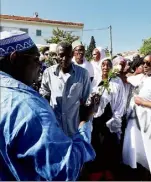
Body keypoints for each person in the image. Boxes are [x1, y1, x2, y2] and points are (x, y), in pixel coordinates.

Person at [0, 30, 95, 181]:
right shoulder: (28, 107)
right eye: (36, 59)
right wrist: (84, 122)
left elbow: (85, 97)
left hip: (69, 126)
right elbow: (66, 170)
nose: (40, 64)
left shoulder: (82, 74)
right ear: (15, 58)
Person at [80, 58, 125, 181]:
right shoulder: (95, 81)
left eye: (108, 65)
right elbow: (88, 99)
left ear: (112, 67)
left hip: (110, 118)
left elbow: (121, 101)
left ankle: (108, 170)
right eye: (103, 65)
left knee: (109, 145)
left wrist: (116, 119)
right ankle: (96, 170)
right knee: (96, 144)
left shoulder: (117, 82)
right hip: (96, 118)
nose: (105, 67)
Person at [39, 41, 91, 137]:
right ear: (56, 56)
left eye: (68, 55)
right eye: (61, 55)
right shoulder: (48, 73)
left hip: (74, 129)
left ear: (72, 55)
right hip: (54, 128)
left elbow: (86, 101)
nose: (65, 59)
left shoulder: (83, 74)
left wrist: (84, 127)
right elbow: (44, 97)